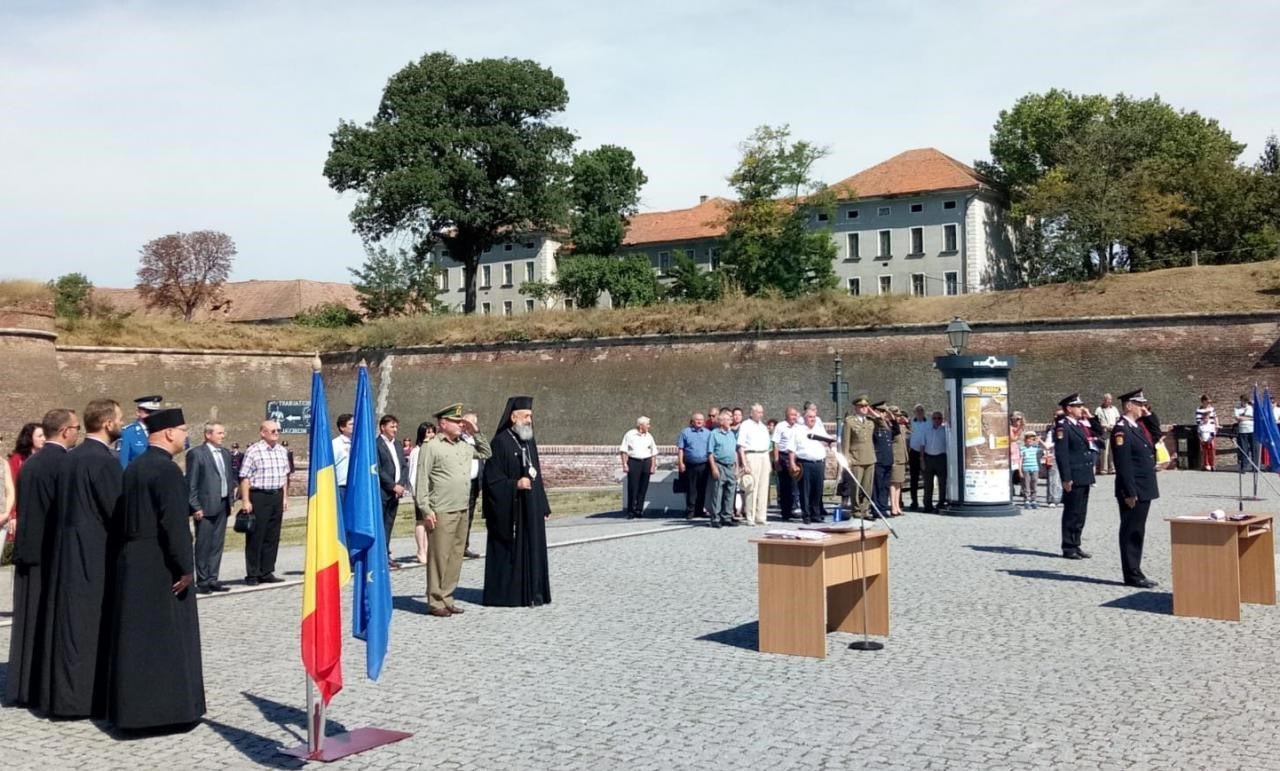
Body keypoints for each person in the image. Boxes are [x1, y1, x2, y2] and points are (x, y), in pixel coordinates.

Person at [103, 407, 205, 732]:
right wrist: (185, 567)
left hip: (134, 560)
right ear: (169, 433)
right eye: (183, 429)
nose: (186, 435)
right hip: (160, 564)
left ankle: (133, 712)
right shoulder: (167, 472)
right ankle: (167, 711)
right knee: (166, 638)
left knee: (137, 638)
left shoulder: (134, 468)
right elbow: (173, 524)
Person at [41, 399, 122, 718]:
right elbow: (116, 511)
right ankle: (87, 699)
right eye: (118, 418)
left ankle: (65, 696)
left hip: (68, 551)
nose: (121, 423)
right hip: (95, 553)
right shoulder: (104, 461)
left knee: (70, 627)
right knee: (91, 627)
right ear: (106, 423)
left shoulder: (71, 458)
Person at [7, 409, 78, 707]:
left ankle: (22, 685)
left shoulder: (32, 463)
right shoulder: (64, 463)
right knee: (47, 620)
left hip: (27, 550)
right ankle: (44, 685)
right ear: (64, 431)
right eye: (75, 427)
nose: (78, 432)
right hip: (50, 553)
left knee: (26, 621)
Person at [414, 405, 490, 616]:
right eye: (456, 422)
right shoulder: (431, 447)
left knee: (456, 556)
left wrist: (474, 430)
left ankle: (447, 596)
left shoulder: (463, 445)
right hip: (441, 510)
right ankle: (435, 601)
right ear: (443, 423)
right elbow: (421, 479)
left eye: (461, 422)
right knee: (439, 557)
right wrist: (425, 509)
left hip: (462, 508)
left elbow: (486, 452)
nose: (460, 425)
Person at [482, 396, 552, 607]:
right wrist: (515, 484)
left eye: (531, 416)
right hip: (512, 508)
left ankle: (534, 591)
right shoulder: (500, 442)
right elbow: (491, 481)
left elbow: (536, 473)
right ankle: (512, 594)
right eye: (527, 416)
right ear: (514, 417)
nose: (530, 420)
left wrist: (543, 504)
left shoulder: (529, 440)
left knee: (534, 547)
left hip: (531, 507)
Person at [1110, 390, 1160, 588]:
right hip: (1133, 490)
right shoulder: (1121, 430)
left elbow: (1156, 433)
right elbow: (1123, 465)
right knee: (1131, 531)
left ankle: (1136, 570)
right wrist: (1130, 492)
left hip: (1143, 487)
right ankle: (1132, 574)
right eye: (1139, 404)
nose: (1143, 407)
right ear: (1129, 405)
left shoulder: (1137, 427)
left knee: (1138, 531)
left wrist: (1148, 413)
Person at [237, 420, 289, 586]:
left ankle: (267, 571)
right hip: (259, 496)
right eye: (272, 430)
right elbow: (244, 477)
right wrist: (245, 500)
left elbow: (284, 476)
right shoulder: (254, 451)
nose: (276, 433)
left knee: (272, 536)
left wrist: (285, 497)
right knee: (256, 536)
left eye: (277, 430)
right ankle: (252, 574)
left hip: (276, 495)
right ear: (263, 433)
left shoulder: (282, 451)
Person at [187, 421, 235, 594]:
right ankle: (203, 580)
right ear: (208, 435)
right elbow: (191, 483)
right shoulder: (197, 454)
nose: (223, 436)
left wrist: (231, 499)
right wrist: (195, 506)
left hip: (222, 504)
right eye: (219, 433)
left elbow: (228, 477)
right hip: (205, 507)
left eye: (223, 433)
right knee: (203, 544)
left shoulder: (225, 453)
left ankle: (213, 578)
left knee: (217, 544)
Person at [1055, 393, 1102, 560]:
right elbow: (1062, 455)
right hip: (1074, 474)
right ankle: (1068, 546)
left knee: (1081, 512)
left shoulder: (1080, 423)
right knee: (1072, 512)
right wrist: (1066, 478)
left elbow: (1099, 431)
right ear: (1069, 408)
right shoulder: (1063, 426)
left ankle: (1076, 543)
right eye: (1078, 406)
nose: (1081, 408)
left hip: (1084, 474)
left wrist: (1090, 416)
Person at [3, 422, 45, 548]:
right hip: (21, 511)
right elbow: (12, 489)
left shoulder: (45, 458)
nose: (44, 439)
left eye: (45, 435)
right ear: (29, 438)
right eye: (40, 436)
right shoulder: (17, 460)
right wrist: (13, 515)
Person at [375, 414, 408, 568]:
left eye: (396, 426)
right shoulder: (377, 444)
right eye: (392, 426)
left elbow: (403, 466)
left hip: (396, 492)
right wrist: (392, 485)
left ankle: (386, 553)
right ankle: (378, 556)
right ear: (383, 427)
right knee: (380, 524)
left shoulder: (398, 445)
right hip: (383, 491)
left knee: (389, 523)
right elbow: (378, 469)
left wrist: (401, 485)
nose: (395, 429)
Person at [793, 409, 832, 524]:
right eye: (810, 417)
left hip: (819, 463)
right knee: (805, 491)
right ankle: (806, 515)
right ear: (805, 418)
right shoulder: (798, 430)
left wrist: (831, 442)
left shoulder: (819, 429)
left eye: (814, 417)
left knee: (817, 490)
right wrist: (792, 463)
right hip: (805, 463)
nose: (812, 419)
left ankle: (816, 514)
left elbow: (829, 440)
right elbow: (792, 449)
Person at [841, 396, 878, 518]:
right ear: (856, 408)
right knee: (856, 486)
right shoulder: (849, 421)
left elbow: (884, 424)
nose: (864, 409)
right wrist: (846, 459)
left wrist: (874, 413)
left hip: (870, 457)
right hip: (856, 458)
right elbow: (845, 442)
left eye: (866, 406)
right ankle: (856, 509)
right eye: (861, 406)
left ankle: (865, 509)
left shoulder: (870, 421)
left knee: (868, 487)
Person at [736, 404, 772, 526]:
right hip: (751, 455)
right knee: (752, 487)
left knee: (763, 487)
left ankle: (761, 516)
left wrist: (768, 462)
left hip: (764, 455)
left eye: (761, 412)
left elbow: (767, 445)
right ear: (751, 413)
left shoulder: (763, 427)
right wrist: (744, 463)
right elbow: (741, 446)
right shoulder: (745, 425)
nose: (760, 414)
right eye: (757, 412)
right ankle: (750, 516)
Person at [619, 416, 659, 520]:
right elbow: (624, 450)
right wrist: (624, 464)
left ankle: (639, 510)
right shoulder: (630, 434)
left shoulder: (649, 436)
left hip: (646, 462)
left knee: (643, 487)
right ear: (641, 425)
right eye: (647, 424)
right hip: (634, 462)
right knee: (633, 487)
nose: (649, 426)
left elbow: (653, 452)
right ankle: (631, 511)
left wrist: (653, 465)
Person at [407, 421, 435, 564]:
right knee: (421, 521)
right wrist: (415, 491)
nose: (431, 434)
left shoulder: (433, 449)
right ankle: (421, 550)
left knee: (430, 520)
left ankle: (429, 549)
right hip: (420, 490)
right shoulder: (417, 451)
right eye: (428, 432)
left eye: (432, 431)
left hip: (433, 491)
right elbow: (413, 473)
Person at [706, 411, 740, 528]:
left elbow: (735, 452)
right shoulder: (714, 434)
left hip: (731, 466)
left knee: (730, 492)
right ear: (722, 421)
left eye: (730, 419)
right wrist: (714, 468)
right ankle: (715, 518)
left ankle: (727, 516)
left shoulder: (732, 434)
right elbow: (710, 453)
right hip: (719, 465)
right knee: (717, 492)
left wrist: (737, 467)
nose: (731, 421)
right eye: (728, 419)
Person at [676, 412, 711, 521]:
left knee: (702, 488)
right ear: (692, 421)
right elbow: (681, 449)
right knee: (691, 489)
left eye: (701, 419)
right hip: (690, 465)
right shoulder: (685, 432)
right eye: (697, 420)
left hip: (704, 464)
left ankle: (699, 510)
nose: (699, 421)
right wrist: (680, 462)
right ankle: (690, 511)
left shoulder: (708, 433)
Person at [461, 411, 484, 560]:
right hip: (461, 483)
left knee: (469, 516)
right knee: (459, 516)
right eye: (470, 423)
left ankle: (465, 546)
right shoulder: (458, 439)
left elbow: (486, 453)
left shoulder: (476, 441)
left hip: (475, 483)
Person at [771, 407, 800, 520]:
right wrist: (776, 461)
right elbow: (776, 444)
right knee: (785, 486)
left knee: (795, 484)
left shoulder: (798, 427)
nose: (794, 417)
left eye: (795, 415)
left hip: (796, 457)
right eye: (792, 415)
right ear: (786, 415)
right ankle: (785, 512)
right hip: (783, 457)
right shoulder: (780, 426)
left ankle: (794, 507)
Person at [117, 395, 161, 468]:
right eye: (148, 412)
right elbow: (123, 463)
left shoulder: (161, 431)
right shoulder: (128, 433)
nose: (152, 415)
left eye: (155, 412)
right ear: (138, 412)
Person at [920, 410, 949, 513]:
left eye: (939, 418)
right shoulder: (926, 431)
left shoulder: (946, 431)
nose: (937, 420)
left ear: (942, 419)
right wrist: (922, 460)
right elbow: (922, 446)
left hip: (941, 458)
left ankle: (941, 503)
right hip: (928, 458)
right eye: (935, 418)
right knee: (928, 484)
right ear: (931, 419)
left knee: (942, 483)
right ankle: (927, 505)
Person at [870, 401, 894, 517]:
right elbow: (878, 421)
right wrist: (874, 414)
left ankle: (883, 507)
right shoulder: (874, 424)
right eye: (882, 411)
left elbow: (897, 430)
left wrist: (890, 414)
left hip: (888, 459)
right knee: (877, 486)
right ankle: (876, 508)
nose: (884, 414)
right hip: (878, 459)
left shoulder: (888, 425)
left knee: (885, 486)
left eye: (885, 412)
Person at [907, 404, 928, 511]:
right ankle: (914, 501)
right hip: (914, 452)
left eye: (921, 410)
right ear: (914, 412)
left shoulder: (928, 423)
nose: (920, 412)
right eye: (918, 410)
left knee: (926, 478)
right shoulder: (911, 424)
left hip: (926, 453)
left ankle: (926, 501)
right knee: (913, 479)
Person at [888, 407, 909, 516]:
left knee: (899, 483)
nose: (899, 417)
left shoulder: (901, 427)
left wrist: (906, 421)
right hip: (895, 458)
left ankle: (897, 505)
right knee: (893, 483)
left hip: (902, 458)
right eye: (897, 415)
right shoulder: (891, 427)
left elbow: (911, 428)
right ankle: (893, 507)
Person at [332, 413, 354, 507]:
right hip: (342, 486)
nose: (354, 426)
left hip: (357, 485)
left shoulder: (358, 443)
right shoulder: (335, 444)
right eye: (351, 424)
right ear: (342, 427)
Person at [1095, 394, 1120, 475]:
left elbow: (1117, 419)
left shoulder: (1114, 409)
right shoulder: (1099, 409)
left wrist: (1115, 426)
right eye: (1107, 399)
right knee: (1104, 451)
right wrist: (1103, 426)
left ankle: (1112, 467)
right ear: (1104, 400)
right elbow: (1096, 421)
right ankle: (1104, 469)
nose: (1109, 401)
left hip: (1113, 431)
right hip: (1104, 431)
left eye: (1110, 399)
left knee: (1113, 450)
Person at [1019, 431, 1043, 508]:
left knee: (1034, 484)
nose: (1029, 441)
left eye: (1031, 440)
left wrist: (1039, 440)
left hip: (1035, 468)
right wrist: (1020, 470)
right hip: (1026, 468)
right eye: (1028, 440)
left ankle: (1033, 500)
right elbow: (1020, 460)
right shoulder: (1022, 448)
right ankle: (1026, 500)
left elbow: (1045, 447)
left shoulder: (1036, 448)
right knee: (1026, 485)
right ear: (1025, 440)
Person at [1234, 394, 1255, 472]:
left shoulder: (1252, 408)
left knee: (1253, 449)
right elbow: (1237, 418)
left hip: (1252, 430)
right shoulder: (1237, 408)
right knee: (1243, 449)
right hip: (1242, 430)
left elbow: (1255, 418)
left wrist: (1244, 418)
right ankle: (1244, 466)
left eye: (1245, 401)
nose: (1243, 402)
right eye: (1242, 401)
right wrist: (1250, 418)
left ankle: (1254, 466)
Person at [1195, 395, 1217, 471]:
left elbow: (1215, 417)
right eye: (1207, 401)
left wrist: (1217, 425)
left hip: (1211, 430)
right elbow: (1198, 421)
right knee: (1204, 448)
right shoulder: (1198, 410)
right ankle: (1206, 464)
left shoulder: (1212, 409)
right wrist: (1205, 419)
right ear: (1203, 401)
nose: (1208, 403)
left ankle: (1213, 464)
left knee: (1212, 447)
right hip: (1203, 430)